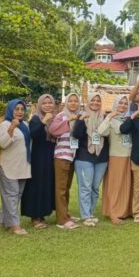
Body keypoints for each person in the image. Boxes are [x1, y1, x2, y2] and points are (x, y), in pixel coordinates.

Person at [71, 94, 108, 227]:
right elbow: (75, 135)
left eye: (98, 100)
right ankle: (85, 215)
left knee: (95, 187)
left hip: (101, 158)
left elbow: (108, 136)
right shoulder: (82, 116)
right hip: (84, 157)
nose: (95, 102)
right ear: (88, 102)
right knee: (85, 187)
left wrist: (106, 119)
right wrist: (81, 120)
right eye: (93, 100)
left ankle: (91, 212)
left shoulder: (104, 117)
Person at [0, 99, 32, 235]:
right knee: (11, 195)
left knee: (16, 195)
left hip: (23, 166)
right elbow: (3, 144)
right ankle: (15, 225)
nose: (19, 112)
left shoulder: (25, 125)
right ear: (10, 110)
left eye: (22, 109)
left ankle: (4, 220)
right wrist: (11, 128)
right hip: (8, 165)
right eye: (16, 109)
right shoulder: (4, 125)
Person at [21, 94, 56, 229]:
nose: (47, 105)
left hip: (50, 156)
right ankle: (34, 217)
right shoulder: (36, 118)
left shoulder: (54, 119)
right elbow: (34, 134)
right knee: (36, 186)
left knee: (46, 185)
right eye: (44, 103)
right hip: (38, 157)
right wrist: (43, 122)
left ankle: (42, 215)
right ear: (39, 105)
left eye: (50, 103)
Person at [48, 93, 82, 230]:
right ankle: (61, 219)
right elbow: (53, 130)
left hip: (73, 156)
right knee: (60, 189)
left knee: (66, 188)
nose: (73, 103)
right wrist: (67, 120)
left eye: (75, 101)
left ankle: (65, 214)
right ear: (66, 102)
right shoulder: (61, 116)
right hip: (62, 156)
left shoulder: (79, 116)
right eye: (71, 101)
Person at [101, 95, 133, 225]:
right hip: (116, 156)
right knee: (116, 186)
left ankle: (125, 211)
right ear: (115, 105)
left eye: (126, 103)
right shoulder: (111, 119)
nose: (123, 106)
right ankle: (113, 213)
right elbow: (101, 132)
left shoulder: (127, 119)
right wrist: (109, 117)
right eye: (121, 103)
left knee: (127, 185)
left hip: (129, 156)